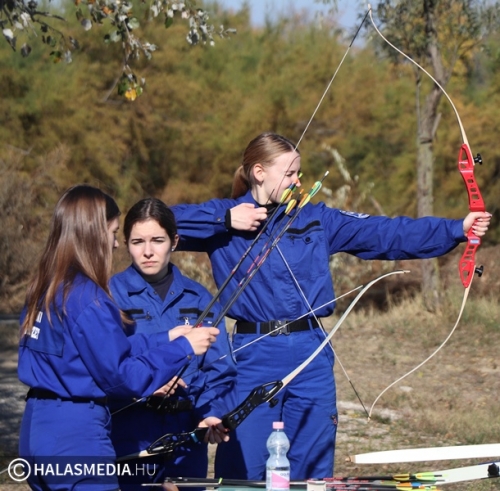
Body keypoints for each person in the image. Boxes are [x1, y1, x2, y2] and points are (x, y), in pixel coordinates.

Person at [171, 132, 491, 480]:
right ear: (259, 173)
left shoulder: (315, 218)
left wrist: (456, 228)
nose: (298, 181)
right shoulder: (224, 217)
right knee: (243, 467)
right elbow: (155, 222)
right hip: (252, 354)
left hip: (310, 353)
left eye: (299, 173)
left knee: (313, 469)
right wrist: (225, 220)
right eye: (289, 174)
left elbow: (385, 233)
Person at [18, 184, 219, 491]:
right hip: (76, 435)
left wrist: (164, 337)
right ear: (92, 233)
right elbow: (123, 377)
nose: (114, 244)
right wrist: (183, 347)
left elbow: (89, 352)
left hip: (36, 431)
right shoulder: (89, 297)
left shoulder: (46, 288)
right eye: (113, 233)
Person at [109, 198, 237, 490]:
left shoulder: (199, 298)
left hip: (186, 440)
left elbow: (221, 370)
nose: (148, 251)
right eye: (138, 242)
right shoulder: (109, 295)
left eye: (158, 240)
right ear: (126, 244)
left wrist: (211, 414)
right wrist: (143, 384)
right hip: (131, 436)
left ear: (174, 241)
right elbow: (106, 365)